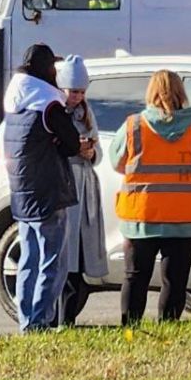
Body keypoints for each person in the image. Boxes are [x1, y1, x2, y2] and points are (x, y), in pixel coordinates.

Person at [109, 70, 191, 324]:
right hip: (187, 216)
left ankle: (130, 332)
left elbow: (117, 161)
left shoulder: (134, 125)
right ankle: (168, 329)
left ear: (151, 92)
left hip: (142, 216)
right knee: (175, 280)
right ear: (182, 92)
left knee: (135, 278)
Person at [1, 43, 80, 331]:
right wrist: (61, 140)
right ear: (46, 69)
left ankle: (26, 322)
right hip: (48, 193)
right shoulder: (48, 104)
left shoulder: (14, 104)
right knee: (52, 262)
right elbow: (71, 143)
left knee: (29, 261)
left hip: (22, 195)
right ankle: (41, 322)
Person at [56, 55, 109, 323]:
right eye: (73, 91)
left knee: (79, 257)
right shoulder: (53, 110)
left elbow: (98, 149)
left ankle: (69, 317)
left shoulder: (86, 113)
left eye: (81, 92)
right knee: (64, 256)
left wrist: (90, 152)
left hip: (84, 185)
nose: (77, 97)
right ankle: (57, 317)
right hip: (64, 187)